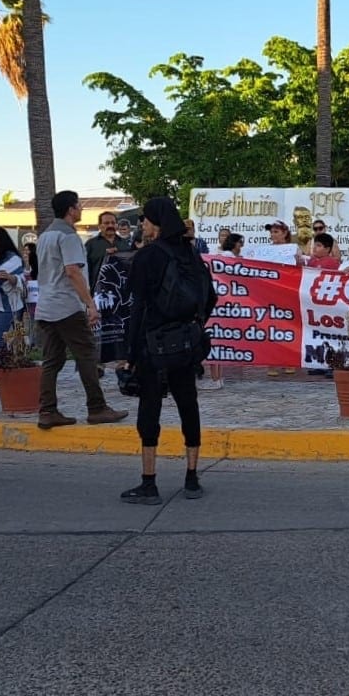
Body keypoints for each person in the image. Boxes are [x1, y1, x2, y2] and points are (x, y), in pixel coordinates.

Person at [119, 196, 217, 505]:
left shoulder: (148, 256)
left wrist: (129, 355)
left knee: (150, 409)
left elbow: (138, 308)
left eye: (145, 220)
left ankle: (149, 483)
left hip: (153, 344)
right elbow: (210, 297)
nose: (143, 225)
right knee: (188, 404)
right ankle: (191, 477)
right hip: (186, 342)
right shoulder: (190, 253)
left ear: (157, 223)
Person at [35, 191, 128, 429]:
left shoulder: (45, 235)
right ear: (70, 209)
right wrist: (90, 304)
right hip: (67, 306)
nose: (81, 210)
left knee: (52, 360)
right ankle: (96, 407)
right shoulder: (68, 237)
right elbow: (73, 271)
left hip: (46, 305)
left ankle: (47, 410)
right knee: (86, 354)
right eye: (78, 206)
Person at [85, 212, 124, 287]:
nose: (110, 225)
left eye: (113, 223)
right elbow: (85, 270)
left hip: (121, 291)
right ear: (99, 226)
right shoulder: (91, 244)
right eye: (106, 223)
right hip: (97, 290)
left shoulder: (125, 244)